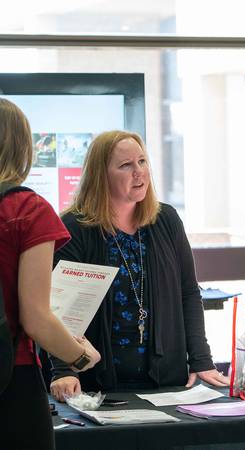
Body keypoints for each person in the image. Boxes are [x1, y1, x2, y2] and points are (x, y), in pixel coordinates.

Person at [49, 130, 228, 402]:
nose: (139, 172)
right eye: (126, 165)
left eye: (142, 162)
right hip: (97, 387)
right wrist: (62, 369)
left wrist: (201, 359)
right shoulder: (75, 228)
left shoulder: (166, 219)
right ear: (101, 175)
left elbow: (189, 293)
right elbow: (56, 308)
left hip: (166, 383)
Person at [0, 98, 100, 450]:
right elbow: (36, 318)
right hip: (11, 375)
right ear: (22, 146)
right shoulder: (25, 209)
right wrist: (81, 357)